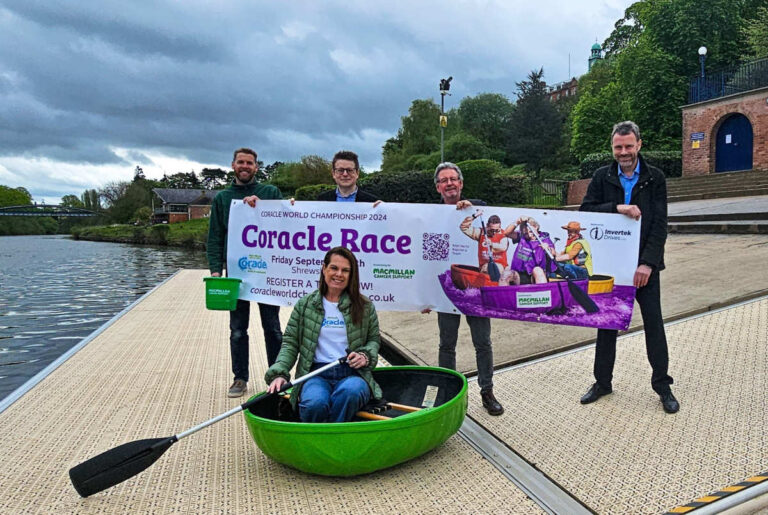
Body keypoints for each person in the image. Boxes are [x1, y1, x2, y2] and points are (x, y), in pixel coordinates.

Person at [579, 120, 679, 414]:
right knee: (606, 325)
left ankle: (662, 385)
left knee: (654, 325)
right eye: (618, 147)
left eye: (628, 146)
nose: (623, 152)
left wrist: (648, 263)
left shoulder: (654, 177)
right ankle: (602, 382)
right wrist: (617, 208)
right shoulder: (601, 177)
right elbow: (586, 212)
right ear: (612, 148)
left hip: (644, 268)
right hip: (611, 267)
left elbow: (660, 224)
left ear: (639, 145)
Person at [264, 247, 382, 423]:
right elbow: (290, 343)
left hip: (353, 374)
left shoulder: (364, 305)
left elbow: (373, 340)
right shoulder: (305, 305)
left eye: (345, 270)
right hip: (315, 373)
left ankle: (332, 437)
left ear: (352, 274)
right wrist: (279, 373)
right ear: (324, 268)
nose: (339, 274)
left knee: (350, 393)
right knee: (314, 404)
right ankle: (320, 439)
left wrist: (365, 356)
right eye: (334, 268)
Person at [426, 162, 504, 416]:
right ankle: (447, 392)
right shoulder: (430, 216)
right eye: (444, 180)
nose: (449, 184)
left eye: (453, 179)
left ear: (460, 184)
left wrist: (470, 207)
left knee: (482, 341)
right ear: (438, 187)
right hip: (448, 287)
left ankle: (487, 391)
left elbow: (489, 216)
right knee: (446, 343)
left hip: (477, 285)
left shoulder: (477, 207)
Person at [207, 148, 284, 398]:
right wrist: (216, 270)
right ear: (233, 165)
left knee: (272, 327)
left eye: (249, 163)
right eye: (241, 162)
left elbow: (286, 224)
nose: (245, 166)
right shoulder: (222, 198)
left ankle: (277, 375)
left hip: (266, 272)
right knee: (238, 329)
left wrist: (263, 209)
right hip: (237, 273)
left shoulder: (270, 192)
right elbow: (216, 235)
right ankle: (240, 378)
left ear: (256, 167)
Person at [503, 216, 556, 285]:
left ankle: (542, 293)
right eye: (524, 228)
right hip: (519, 274)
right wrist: (518, 221)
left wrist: (548, 248)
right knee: (506, 274)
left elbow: (553, 253)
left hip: (534, 275)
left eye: (529, 228)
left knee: (537, 270)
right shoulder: (521, 236)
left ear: (536, 227)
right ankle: (504, 295)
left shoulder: (545, 239)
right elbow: (507, 233)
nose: (527, 230)